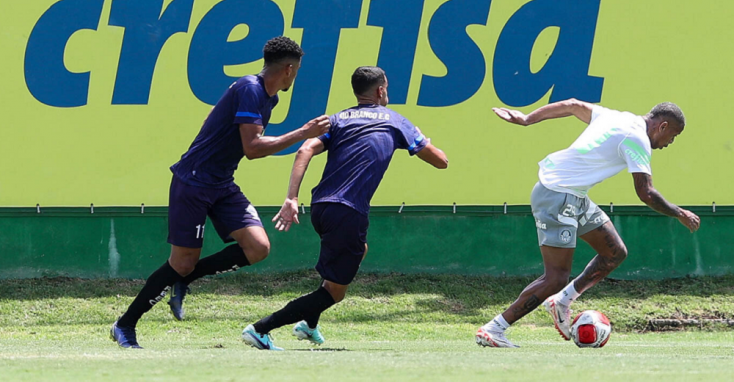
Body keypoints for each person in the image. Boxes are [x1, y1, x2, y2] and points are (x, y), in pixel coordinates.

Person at [110, 36, 330, 348]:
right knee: (182, 261)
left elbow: (216, 122)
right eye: (296, 72)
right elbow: (252, 149)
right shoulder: (250, 89)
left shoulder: (267, 97)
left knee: (258, 247)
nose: (295, 77)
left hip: (222, 182)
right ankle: (125, 324)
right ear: (289, 69)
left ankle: (183, 280)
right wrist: (303, 133)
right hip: (195, 182)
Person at [240, 66, 449, 350]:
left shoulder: (339, 119)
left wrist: (292, 197)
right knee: (335, 293)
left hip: (322, 207)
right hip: (348, 211)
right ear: (381, 91)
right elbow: (441, 161)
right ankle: (261, 329)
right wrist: (425, 140)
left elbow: (304, 150)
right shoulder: (395, 121)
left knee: (357, 251)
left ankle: (309, 325)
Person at [476, 99, 701, 348]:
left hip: (573, 195)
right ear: (663, 126)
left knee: (614, 253)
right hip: (557, 195)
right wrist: (679, 213)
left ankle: (562, 301)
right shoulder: (637, 138)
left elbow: (572, 105)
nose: (671, 142)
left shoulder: (617, 116)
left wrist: (528, 119)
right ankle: (494, 328)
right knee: (556, 276)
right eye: (674, 135)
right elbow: (646, 193)